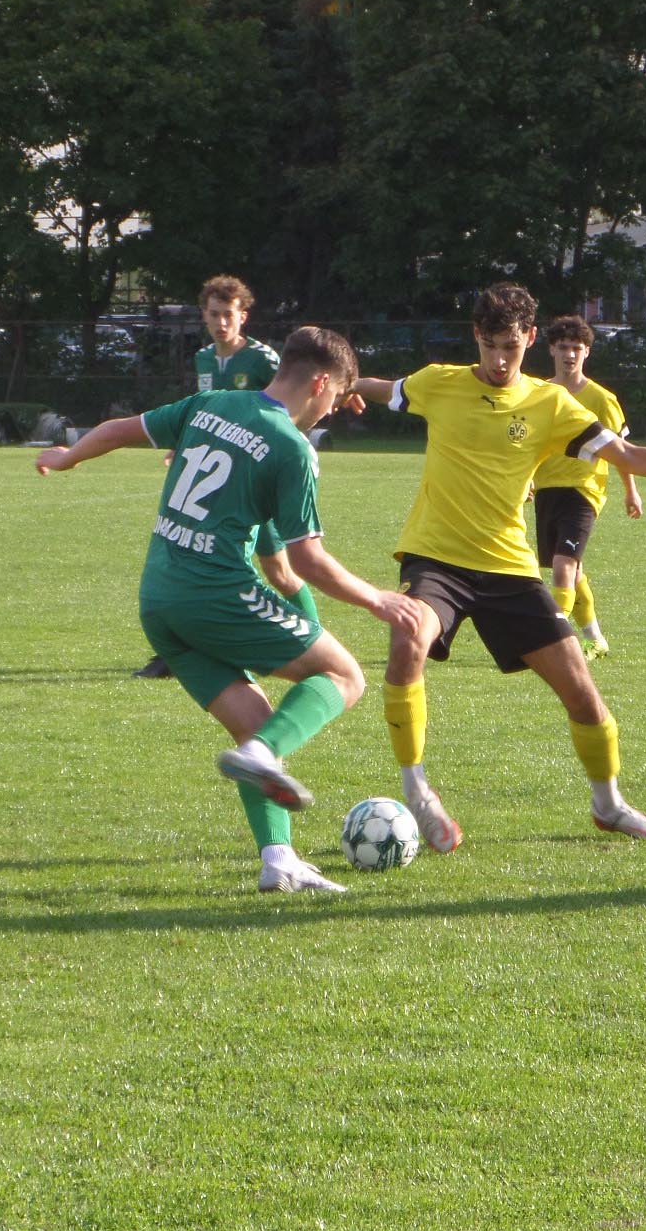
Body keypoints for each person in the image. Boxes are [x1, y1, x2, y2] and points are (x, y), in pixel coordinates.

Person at [350, 283, 646, 854]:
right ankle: (418, 792)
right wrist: (345, 386)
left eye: (511, 346)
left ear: (530, 338)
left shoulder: (551, 403)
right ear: (475, 338)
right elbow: (386, 389)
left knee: (582, 692)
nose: (500, 359)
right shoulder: (438, 382)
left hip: (508, 569)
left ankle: (609, 805)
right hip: (436, 558)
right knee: (408, 635)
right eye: (490, 346)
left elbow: (627, 455)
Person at [38, 326, 425, 894]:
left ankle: (279, 860)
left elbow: (120, 429)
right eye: (336, 398)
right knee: (345, 675)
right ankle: (264, 755)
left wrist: (70, 456)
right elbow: (306, 560)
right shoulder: (292, 448)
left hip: (158, 599)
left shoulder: (212, 404)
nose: (331, 413)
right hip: (214, 595)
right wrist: (378, 598)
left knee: (255, 723)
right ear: (321, 384)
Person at [132, 274, 307, 680]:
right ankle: (177, 650)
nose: (221, 322)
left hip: (253, 484)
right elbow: (206, 414)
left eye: (229, 314)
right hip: (216, 485)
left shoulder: (263, 360)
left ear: (244, 316)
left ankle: (308, 636)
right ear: (204, 315)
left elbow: (297, 400)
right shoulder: (204, 359)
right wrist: (182, 444)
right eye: (214, 314)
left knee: (278, 572)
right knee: (201, 556)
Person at [533, 315, 639, 659]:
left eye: (576, 348)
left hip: (584, 491)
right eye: (563, 347)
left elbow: (623, 450)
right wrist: (526, 479)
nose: (570, 354)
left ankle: (554, 641)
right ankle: (596, 640)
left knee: (563, 565)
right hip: (547, 488)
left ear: (587, 352)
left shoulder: (601, 399)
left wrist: (631, 490)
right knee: (573, 571)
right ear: (551, 349)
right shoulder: (540, 394)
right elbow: (531, 444)